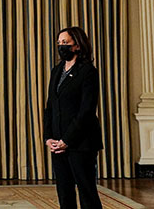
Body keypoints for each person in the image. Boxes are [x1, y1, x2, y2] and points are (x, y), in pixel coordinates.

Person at [44, 26, 104, 209]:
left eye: (65, 43)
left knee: (87, 192)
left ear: (77, 46)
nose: (61, 46)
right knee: (64, 191)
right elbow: (50, 107)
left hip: (81, 143)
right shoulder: (56, 71)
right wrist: (49, 138)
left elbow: (86, 111)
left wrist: (67, 140)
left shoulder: (88, 72)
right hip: (58, 143)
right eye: (59, 43)